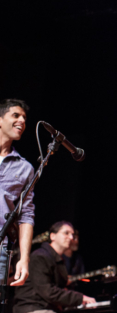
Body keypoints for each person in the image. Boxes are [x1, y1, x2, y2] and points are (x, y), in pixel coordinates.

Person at [13, 221, 96, 313]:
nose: (71, 238)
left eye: (72, 235)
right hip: (33, 308)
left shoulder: (56, 259)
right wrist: (80, 298)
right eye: (66, 233)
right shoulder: (40, 256)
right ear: (52, 236)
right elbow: (48, 291)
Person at [0, 99, 35, 287]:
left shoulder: (25, 168)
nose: (22, 120)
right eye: (16, 115)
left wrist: (24, 259)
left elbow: (26, 216)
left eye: (24, 118)